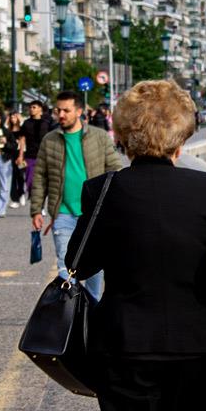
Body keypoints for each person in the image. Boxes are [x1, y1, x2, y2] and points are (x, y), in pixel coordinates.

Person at [64, 79, 206, 411]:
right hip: (196, 343)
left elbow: (79, 263)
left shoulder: (103, 192)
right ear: (181, 137)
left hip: (125, 344)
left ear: (122, 136)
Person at [29, 90, 123, 298]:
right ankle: (67, 319)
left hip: (94, 217)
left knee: (95, 274)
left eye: (66, 110)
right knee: (66, 270)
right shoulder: (49, 140)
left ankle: (92, 319)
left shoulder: (99, 137)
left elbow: (115, 170)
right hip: (62, 213)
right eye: (58, 110)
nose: (61, 115)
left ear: (79, 111)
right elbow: (40, 177)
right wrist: (36, 210)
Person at [18, 100, 52, 199]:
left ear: (40, 109)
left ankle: (40, 204)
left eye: (34, 107)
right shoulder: (26, 123)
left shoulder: (46, 123)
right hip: (30, 155)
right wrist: (20, 155)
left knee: (43, 181)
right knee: (29, 180)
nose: (32, 109)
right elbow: (22, 140)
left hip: (44, 156)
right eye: (31, 107)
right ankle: (33, 197)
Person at [7, 111, 26, 206]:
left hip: (21, 153)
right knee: (12, 176)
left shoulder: (22, 128)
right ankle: (14, 199)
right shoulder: (8, 129)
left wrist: (20, 156)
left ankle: (21, 193)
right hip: (11, 154)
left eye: (15, 117)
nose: (13, 119)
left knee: (20, 175)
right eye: (11, 117)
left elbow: (23, 140)